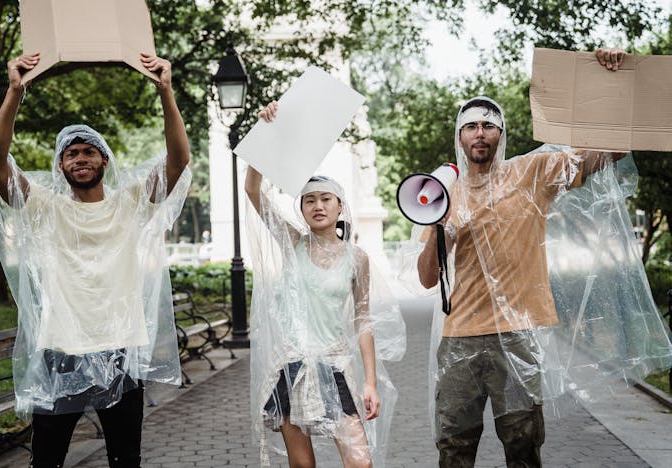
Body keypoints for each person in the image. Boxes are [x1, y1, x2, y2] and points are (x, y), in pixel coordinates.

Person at [415, 48, 672, 467]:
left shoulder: (531, 173)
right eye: (471, 127)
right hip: (459, 337)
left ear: (501, 135)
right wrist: (439, 229)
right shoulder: (441, 195)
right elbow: (427, 279)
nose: (480, 133)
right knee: (454, 449)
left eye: (488, 126)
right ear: (459, 138)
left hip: (517, 335)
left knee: (523, 446)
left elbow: (608, 153)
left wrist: (609, 83)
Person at [0, 51, 191, 468]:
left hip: (120, 349)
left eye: (89, 151)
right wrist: (14, 93)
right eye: (71, 153)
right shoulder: (46, 209)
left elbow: (178, 160)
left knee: (125, 459)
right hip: (62, 351)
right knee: (47, 460)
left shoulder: (130, 203)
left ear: (104, 160)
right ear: (60, 165)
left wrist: (166, 92)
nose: (80, 158)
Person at [245, 101, 405, 467]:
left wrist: (370, 382)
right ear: (301, 208)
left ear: (339, 207)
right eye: (310, 200)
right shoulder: (293, 244)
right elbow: (254, 192)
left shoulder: (356, 258)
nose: (318, 206)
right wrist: (264, 134)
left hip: (334, 365)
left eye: (326, 199)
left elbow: (363, 320)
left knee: (359, 460)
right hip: (291, 364)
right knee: (303, 465)